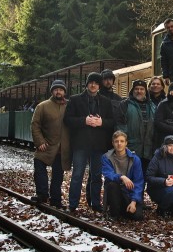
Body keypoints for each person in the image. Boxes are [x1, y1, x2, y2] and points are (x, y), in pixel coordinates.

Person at [64, 72, 115, 213]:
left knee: (97, 176)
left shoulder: (105, 101)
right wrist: (84, 120)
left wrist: (101, 122)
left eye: (96, 83)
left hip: (99, 145)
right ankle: (73, 204)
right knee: (77, 175)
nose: (93, 85)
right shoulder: (75, 100)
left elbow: (112, 122)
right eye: (91, 82)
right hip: (80, 144)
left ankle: (95, 203)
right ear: (87, 84)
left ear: (99, 85)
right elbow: (67, 120)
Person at [30, 79, 72, 208]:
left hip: (62, 148)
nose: (58, 92)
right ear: (52, 91)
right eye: (56, 89)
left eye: (60, 89)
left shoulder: (70, 106)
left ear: (64, 91)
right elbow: (35, 125)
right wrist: (40, 141)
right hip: (46, 146)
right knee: (39, 169)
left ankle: (55, 199)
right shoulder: (42, 106)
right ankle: (42, 194)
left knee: (58, 176)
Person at [101, 130, 144, 221]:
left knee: (137, 217)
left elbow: (139, 181)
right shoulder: (106, 157)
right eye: (116, 141)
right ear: (113, 143)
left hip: (129, 193)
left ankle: (125, 209)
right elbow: (108, 174)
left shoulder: (135, 159)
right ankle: (114, 213)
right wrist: (122, 177)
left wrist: (134, 201)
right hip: (115, 191)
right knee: (112, 184)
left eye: (122, 141)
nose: (119, 144)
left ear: (126, 143)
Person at [117, 79, 157, 174]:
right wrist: (123, 144)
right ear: (132, 90)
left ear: (145, 91)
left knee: (144, 176)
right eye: (136, 89)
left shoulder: (152, 106)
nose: (139, 91)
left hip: (148, 149)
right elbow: (120, 126)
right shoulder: (125, 104)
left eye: (142, 89)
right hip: (131, 148)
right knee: (130, 176)